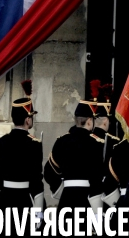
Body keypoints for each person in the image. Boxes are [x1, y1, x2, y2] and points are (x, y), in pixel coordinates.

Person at [0, 80, 44, 237]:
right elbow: (36, 181)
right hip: (24, 201)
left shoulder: (0, 142)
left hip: (3, 201)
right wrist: (39, 213)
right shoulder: (34, 144)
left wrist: (2, 194)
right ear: (27, 120)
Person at [44, 98, 104, 236]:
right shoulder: (96, 143)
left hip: (67, 197)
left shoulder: (62, 141)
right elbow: (97, 178)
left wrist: (60, 190)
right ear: (90, 121)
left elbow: (49, 172)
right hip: (86, 199)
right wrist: (98, 212)